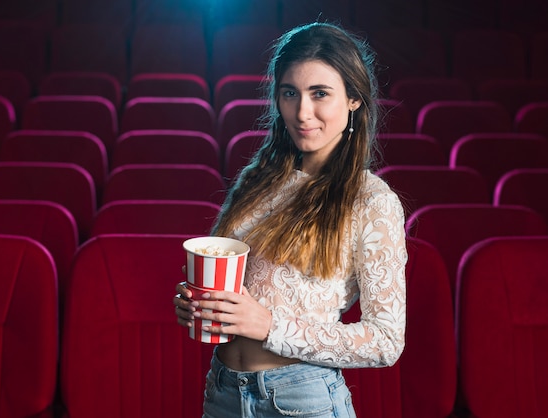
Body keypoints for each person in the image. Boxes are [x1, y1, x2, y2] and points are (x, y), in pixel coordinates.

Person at [173, 21, 407, 418]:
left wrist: (269, 326)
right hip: (225, 390)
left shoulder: (371, 201)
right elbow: (235, 290)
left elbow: (386, 341)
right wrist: (197, 305)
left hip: (301, 398)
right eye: (289, 93)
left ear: (353, 99)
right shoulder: (257, 177)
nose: (302, 112)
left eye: (320, 94)